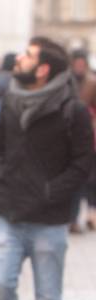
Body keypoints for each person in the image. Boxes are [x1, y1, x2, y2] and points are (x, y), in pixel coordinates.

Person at [0, 37, 93, 300]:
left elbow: (83, 164)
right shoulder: (11, 101)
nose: (19, 58)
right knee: (1, 286)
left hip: (49, 220)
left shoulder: (72, 110)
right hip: (10, 213)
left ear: (44, 68)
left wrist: (51, 192)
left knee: (48, 297)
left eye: (28, 55)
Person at [69, 49, 96, 233]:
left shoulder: (92, 82)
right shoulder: (66, 81)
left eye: (81, 64)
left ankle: (91, 215)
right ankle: (73, 219)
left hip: (90, 135)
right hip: (70, 137)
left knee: (91, 179)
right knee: (76, 180)